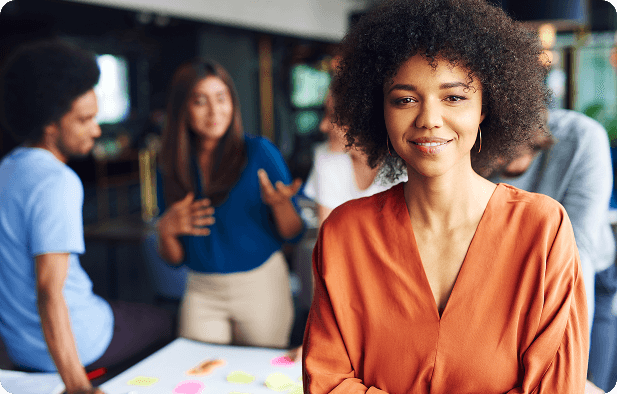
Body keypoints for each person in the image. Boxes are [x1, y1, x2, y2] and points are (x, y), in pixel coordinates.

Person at [302, 0, 589, 392]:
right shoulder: (344, 233)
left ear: (485, 106)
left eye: (453, 97)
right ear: (378, 109)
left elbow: (556, 386)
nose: (429, 119)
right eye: (405, 99)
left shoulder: (543, 229)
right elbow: (327, 381)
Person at [0, 39, 173, 394]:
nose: (96, 130)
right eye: (84, 119)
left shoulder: (6, 169)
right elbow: (51, 291)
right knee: (166, 321)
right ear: (50, 125)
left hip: (20, 347)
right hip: (77, 344)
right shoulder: (56, 180)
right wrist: (77, 386)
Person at [156, 59, 304, 348]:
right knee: (197, 377)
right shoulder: (171, 165)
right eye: (200, 101)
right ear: (182, 109)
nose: (214, 111)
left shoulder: (260, 152)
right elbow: (174, 260)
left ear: (232, 103)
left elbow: (293, 233)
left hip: (260, 285)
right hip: (201, 289)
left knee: (262, 379)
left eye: (221, 98)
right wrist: (166, 229)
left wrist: (281, 205)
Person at [486, 109, 616, 393]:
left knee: (589, 377)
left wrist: (573, 371)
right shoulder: (475, 151)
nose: (494, 167)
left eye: (510, 162)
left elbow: (578, 256)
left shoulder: (581, 139)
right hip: (513, 277)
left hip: (588, 275)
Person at [303, 91, 402, 225]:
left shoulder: (403, 166)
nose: (323, 127)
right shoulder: (326, 158)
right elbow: (328, 238)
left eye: (331, 116)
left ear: (358, 123)